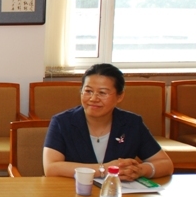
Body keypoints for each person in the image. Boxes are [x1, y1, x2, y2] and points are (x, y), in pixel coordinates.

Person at [43, 63, 173, 180]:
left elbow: (166, 164)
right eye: (88, 91)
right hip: (73, 192)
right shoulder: (62, 122)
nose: (93, 98)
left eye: (102, 93)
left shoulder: (132, 123)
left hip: (119, 194)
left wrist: (140, 170)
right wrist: (104, 169)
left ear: (120, 96)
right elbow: (51, 168)